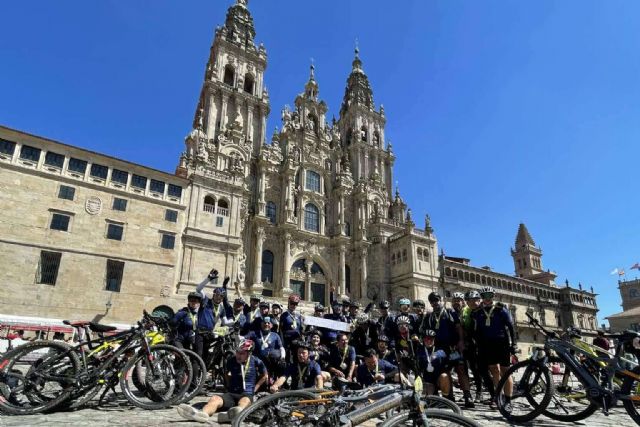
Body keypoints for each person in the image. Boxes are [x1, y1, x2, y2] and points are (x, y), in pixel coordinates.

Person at [176, 340, 267, 423]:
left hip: (247, 394)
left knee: (244, 402)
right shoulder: (231, 361)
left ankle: (233, 414)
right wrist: (228, 385)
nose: (238, 355)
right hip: (232, 393)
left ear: (249, 353)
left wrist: (256, 388)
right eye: (237, 352)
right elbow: (226, 374)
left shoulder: (256, 361)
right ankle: (202, 414)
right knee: (215, 399)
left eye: (242, 353)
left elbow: (265, 376)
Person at [423, 292, 474, 408]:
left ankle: (467, 395)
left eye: (436, 300)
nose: (435, 303)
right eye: (432, 301)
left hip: (453, 348)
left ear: (441, 300)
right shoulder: (429, 316)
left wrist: (461, 341)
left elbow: (458, 327)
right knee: (445, 371)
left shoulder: (450, 312)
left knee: (461, 369)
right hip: (439, 350)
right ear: (430, 303)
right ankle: (450, 397)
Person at [472, 286, 517, 407]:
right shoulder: (478, 312)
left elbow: (511, 326)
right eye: (484, 296)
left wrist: (514, 343)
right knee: (494, 370)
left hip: (501, 342)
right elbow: (477, 331)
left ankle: (508, 400)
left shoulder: (500, 309)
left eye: (489, 296)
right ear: (481, 298)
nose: (487, 299)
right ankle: (499, 396)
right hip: (487, 345)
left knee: (505, 371)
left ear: (493, 297)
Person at [462, 290, 494, 402]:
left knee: (486, 371)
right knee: (476, 370)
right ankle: (479, 392)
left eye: (476, 300)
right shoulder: (469, 313)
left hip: (485, 345)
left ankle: (494, 395)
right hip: (473, 345)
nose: (473, 302)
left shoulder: (484, 310)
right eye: (470, 300)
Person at [246, 316, 285, 382]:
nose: (266, 324)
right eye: (264, 323)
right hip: (257, 361)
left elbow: (281, 348)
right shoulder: (254, 333)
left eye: (268, 323)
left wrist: (283, 357)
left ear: (271, 325)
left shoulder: (275, 335)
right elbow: (243, 338)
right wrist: (237, 334)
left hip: (270, 361)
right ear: (261, 324)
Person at [417, 330, 450, 396]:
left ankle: (446, 398)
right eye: (426, 339)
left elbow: (447, 367)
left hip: (437, 380)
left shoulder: (441, 352)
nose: (429, 341)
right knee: (428, 398)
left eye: (431, 339)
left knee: (444, 376)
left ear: (434, 339)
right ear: (423, 340)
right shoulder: (419, 352)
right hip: (426, 380)